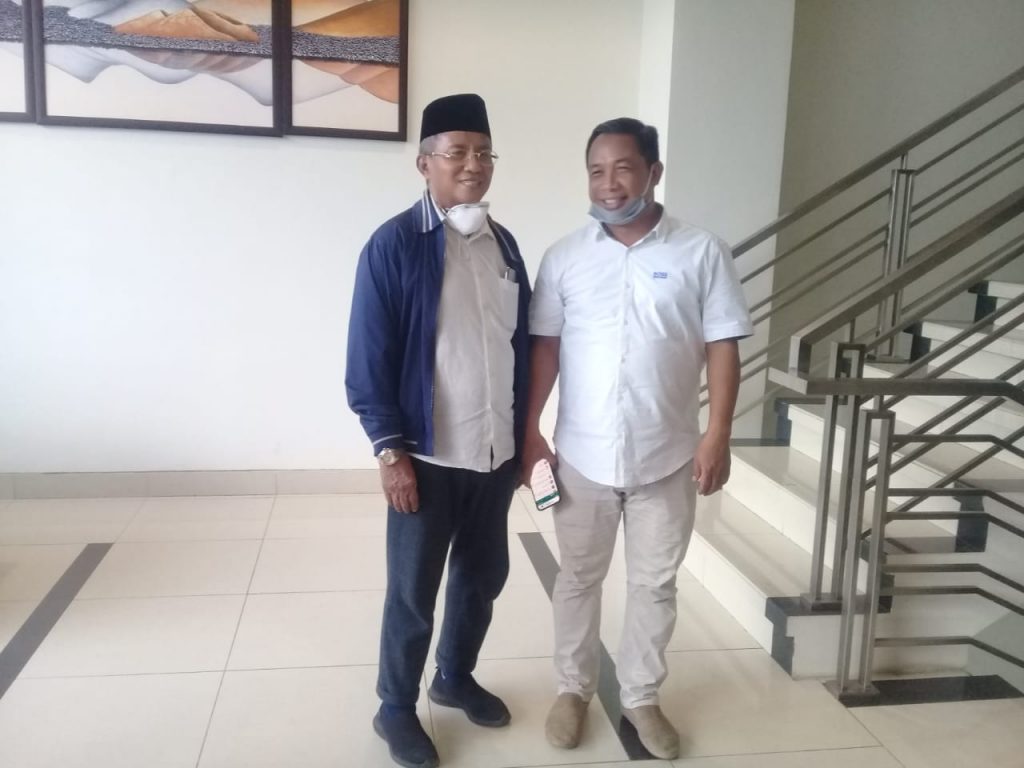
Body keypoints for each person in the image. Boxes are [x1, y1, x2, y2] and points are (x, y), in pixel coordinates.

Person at [523, 117, 752, 760]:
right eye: (596, 171)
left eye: (623, 168)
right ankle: (572, 690)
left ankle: (642, 697)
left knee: (654, 584)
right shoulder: (564, 257)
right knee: (578, 578)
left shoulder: (702, 252)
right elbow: (545, 350)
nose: (609, 183)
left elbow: (722, 346)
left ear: (653, 172)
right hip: (582, 454)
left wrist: (718, 433)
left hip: (668, 453)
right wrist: (530, 431)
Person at [346, 93, 531, 768]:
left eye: (483, 152)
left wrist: (524, 442)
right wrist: (389, 452)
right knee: (413, 592)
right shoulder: (395, 244)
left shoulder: (504, 245)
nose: (473, 164)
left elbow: (516, 349)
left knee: (482, 577)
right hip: (427, 456)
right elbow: (368, 359)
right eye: (457, 152)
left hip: (493, 452)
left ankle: (454, 676)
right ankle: (395, 707)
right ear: (424, 163)